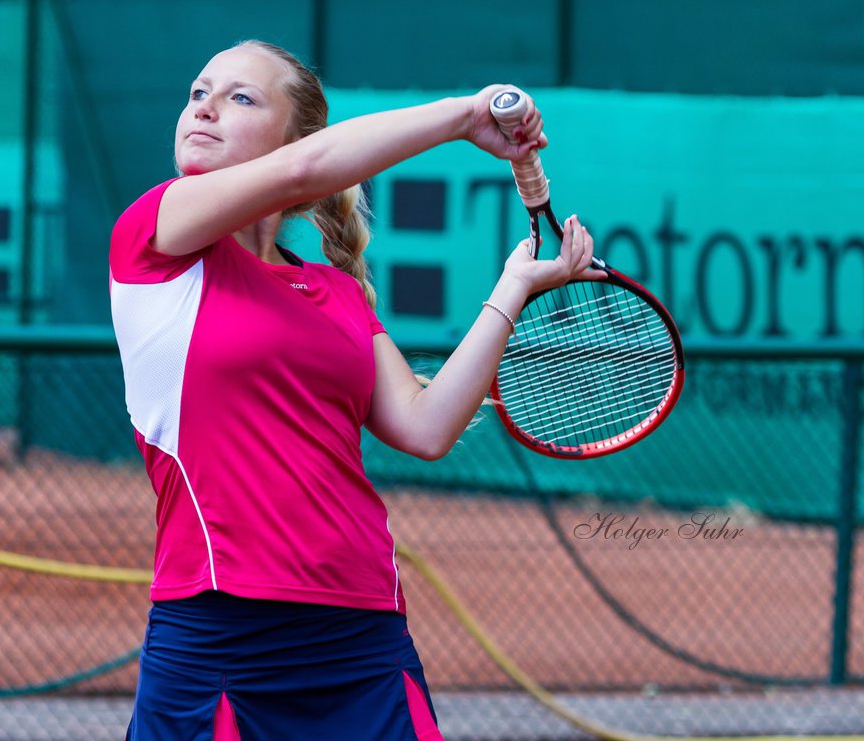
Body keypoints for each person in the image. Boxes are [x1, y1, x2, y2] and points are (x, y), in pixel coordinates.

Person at [109, 40, 602, 740]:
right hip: (222, 643)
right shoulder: (151, 241)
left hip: (366, 635)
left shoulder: (335, 291)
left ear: (292, 135)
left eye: (241, 98)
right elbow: (304, 172)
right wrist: (464, 116)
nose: (205, 108)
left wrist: (513, 288)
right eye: (198, 93)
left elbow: (426, 428)